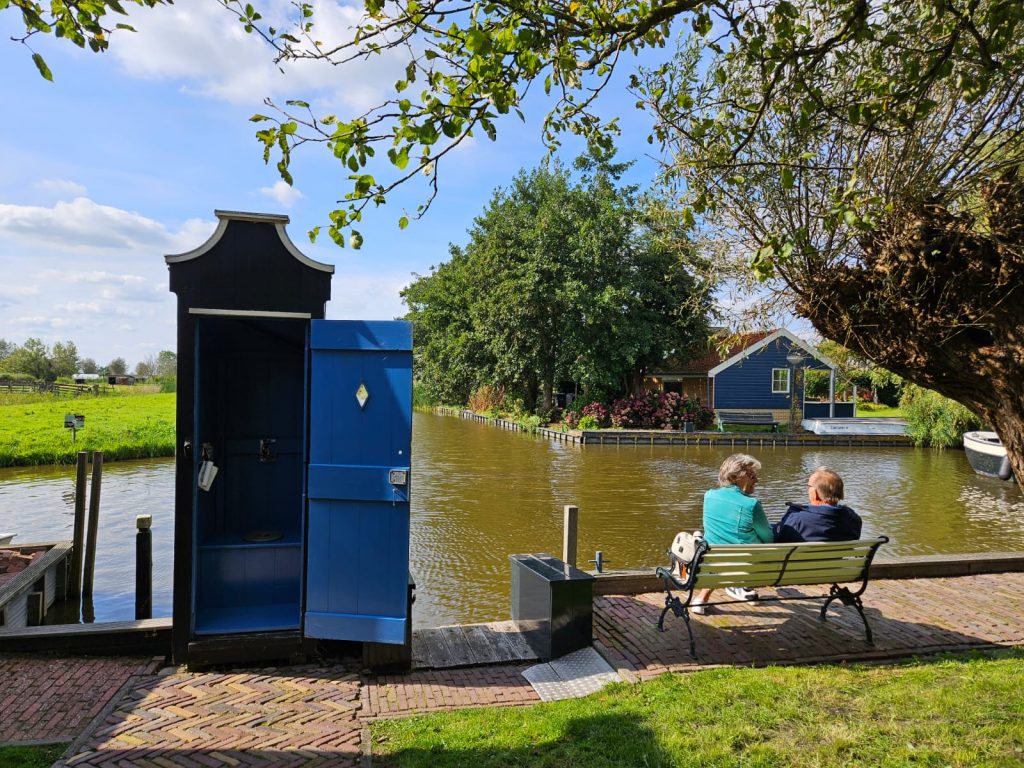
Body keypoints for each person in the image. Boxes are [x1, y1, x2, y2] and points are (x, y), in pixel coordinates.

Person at [693, 453, 773, 614]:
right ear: (736, 477)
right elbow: (769, 539)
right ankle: (738, 586)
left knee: (708, 538)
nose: (756, 480)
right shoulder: (752, 505)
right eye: (752, 475)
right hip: (747, 567)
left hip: (715, 560)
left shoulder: (709, 496)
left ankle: (702, 598)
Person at [773, 467, 862, 543]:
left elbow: (778, 540)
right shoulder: (854, 519)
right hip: (837, 562)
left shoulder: (796, 519)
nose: (807, 489)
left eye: (809, 486)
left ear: (815, 493)